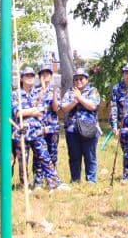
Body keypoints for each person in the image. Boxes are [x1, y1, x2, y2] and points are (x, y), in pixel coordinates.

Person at [61, 68, 101, 183]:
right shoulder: (69, 92)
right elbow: (64, 108)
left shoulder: (93, 91)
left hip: (89, 129)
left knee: (90, 156)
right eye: (76, 79)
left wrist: (79, 98)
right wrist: (75, 100)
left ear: (86, 80)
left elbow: (92, 106)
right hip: (72, 130)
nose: (79, 81)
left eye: (81, 78)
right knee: (74, 157)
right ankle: (75, 180)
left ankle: (91, 181)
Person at [13, 66, 47, 189]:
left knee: (41, 157)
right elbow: (18, 113)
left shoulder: (38, 93)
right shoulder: (15, 94)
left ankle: (39, 182)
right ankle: (25, 184)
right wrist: (33, 110)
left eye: (32, 75)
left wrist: (27, 111)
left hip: (37, 131)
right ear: (21, 78)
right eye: (27, 75)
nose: (30, 78)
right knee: (23, 161)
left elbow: (42, 111)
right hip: (22, 132)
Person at [37, 62, 67, 191]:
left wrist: (54, 93)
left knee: (52, 154)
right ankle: (38, 179)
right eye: (43, 74)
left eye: (47, 73)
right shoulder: (37, 90)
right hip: (39, 127)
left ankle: (51, 180)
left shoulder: (56, 89)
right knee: (39, 154)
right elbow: (36, 104)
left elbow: (56, 108)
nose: (45, 76)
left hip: (52, 126)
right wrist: (43, 90)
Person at [109, 62, 128, 182]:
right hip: (124, 126)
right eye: (126, 73)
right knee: (126, 152)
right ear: (123, 74)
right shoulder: (117, 88)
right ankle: (127, 175)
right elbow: (113, 107)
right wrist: (114, 125)